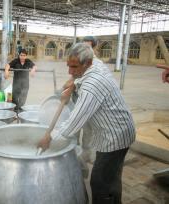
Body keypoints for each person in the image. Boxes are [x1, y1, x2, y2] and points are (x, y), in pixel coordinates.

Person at [38, 43, 136, 204]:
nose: (70, 72)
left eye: (74, 67)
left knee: (100, 182)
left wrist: (49, 139)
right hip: (121, 130)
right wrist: (74, 84)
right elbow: (81, 74)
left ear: (87, 63)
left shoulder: (92, 86)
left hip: (114, 138)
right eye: (68, 66)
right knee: (112, 178)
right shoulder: (95, 63)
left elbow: (73, 124)